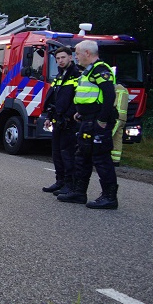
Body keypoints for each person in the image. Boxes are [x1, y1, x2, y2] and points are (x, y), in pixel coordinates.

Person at [58, 40, 118, 209]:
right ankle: (79, 192)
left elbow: (109, 96)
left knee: (101, 158)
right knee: (82, 157)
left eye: (77, 54)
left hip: (97, 121)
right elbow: (90, 95)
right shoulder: (88, 71)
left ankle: (109, 196)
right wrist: (81, 112)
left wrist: (102, 120)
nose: (75, 57)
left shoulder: (101, 70)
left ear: (87, 53)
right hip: (87, 119)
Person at [41, 47, 81, 194]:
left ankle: (70, 185)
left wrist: (70, 116)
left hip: (69, 122)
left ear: (70, 58)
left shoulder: (77, 76)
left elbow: (77, 100)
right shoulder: (59, 76)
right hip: (58, 120)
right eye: (57, 59)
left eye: (63, 58)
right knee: (57, 153)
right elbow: (54, 99)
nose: (60, 61)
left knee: (67, 154)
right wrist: (49, 117)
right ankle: (60, 181)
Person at [111, 79, 129, 166]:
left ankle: (97, 157)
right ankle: (116, 160)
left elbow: (114, 103)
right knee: (117, 139)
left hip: (116, 117)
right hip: (123, 118)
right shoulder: (125, 90)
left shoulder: (117, 88)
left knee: (107, 136)